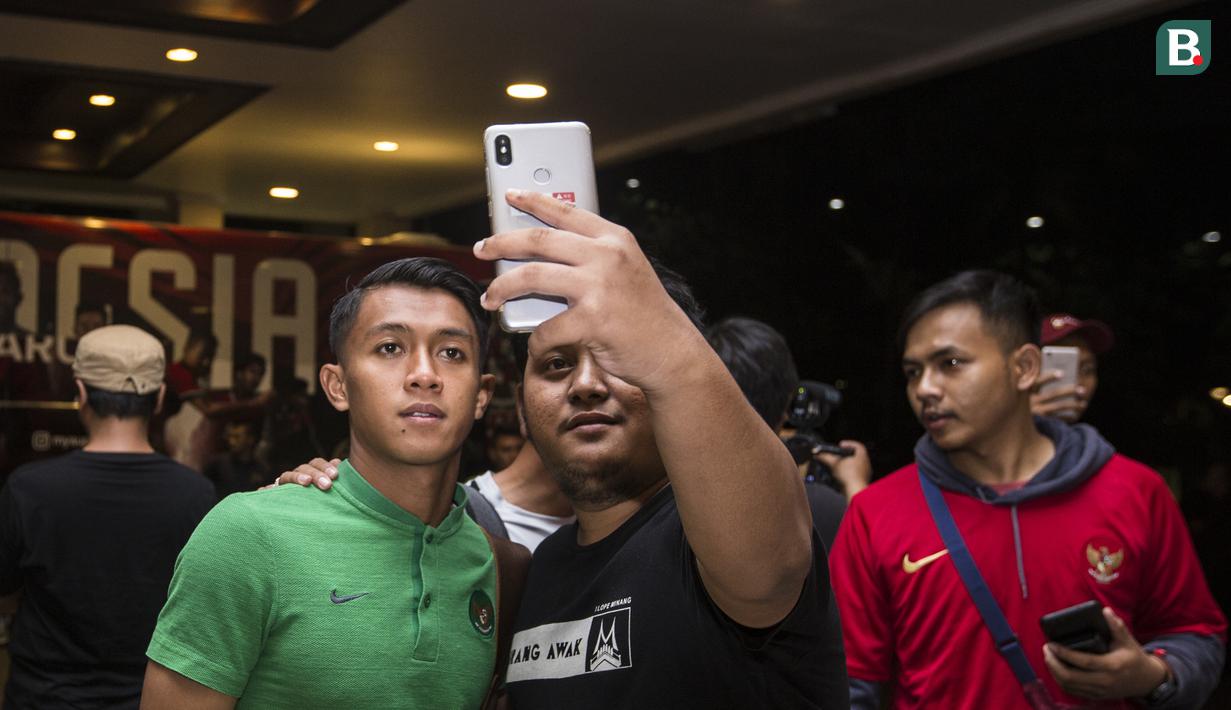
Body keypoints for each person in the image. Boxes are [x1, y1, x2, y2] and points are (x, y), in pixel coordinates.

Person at [479, 191, 848, 707]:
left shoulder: (710, 539)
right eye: (556, 364)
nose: (585, 384)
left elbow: (769, 563)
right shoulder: (544, 568)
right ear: (522, 407)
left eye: (616, 358)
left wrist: (666, 340)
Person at [830, 270, 1226, 709]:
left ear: (1024, 368)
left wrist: (1152, 675)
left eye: (951, 364)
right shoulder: (876, 511)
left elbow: (1197, 635)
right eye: (912, 371)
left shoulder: (1135, 491)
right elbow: (848, 685)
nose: (925, 389)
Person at [141, 257, 526, 708]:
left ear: (481, 396)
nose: (425, 374)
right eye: (389, 347)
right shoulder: (247, 535)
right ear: (337, 386)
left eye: (451, 352)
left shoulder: (503, 566)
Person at [0, 325, 215, 708]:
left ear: (79, 392)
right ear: (161, 397)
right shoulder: (196, 494)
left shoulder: (29, 489)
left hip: (43, 699)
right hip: (147, 698)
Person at [704, 315, 869, 547]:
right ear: (785, 409)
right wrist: (855, 484)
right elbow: (877, 557)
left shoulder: (670, 488)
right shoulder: (819, 509)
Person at [164, 347, 271, 472]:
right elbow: (209, 412)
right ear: (239, 373)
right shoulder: (220, 398)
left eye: (261, 374)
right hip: (214, 463)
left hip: (245, 465)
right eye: (252, 372)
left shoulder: (260, 406)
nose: (256, 378)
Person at [1030, 312, 1113, 423]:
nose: (1076, 382)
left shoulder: (1089, 439)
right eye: (1060, 366)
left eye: (1087, 370)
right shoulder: (1001, 429)